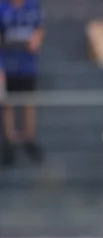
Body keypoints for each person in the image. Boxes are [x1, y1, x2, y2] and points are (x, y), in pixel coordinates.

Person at [0, 0, 44, 165]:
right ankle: (9, 141)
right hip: (8, 62)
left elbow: (40, 28)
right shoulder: (2, 7)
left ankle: (29, 138)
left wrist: (36, 39)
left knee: (28, 101)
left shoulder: (33, 6)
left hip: (27, 64)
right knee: (8, 103)